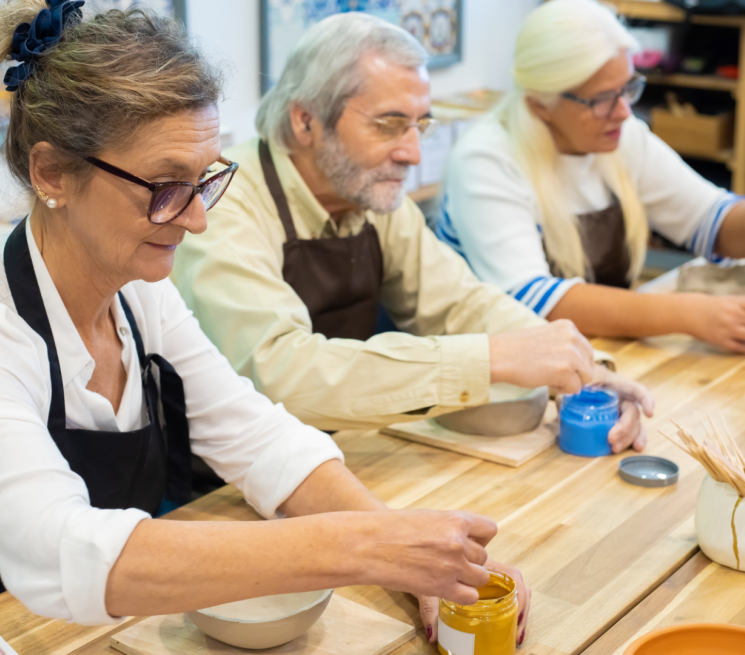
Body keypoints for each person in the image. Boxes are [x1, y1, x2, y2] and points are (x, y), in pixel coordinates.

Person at [0, 1, 529, 643]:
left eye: (205, 181)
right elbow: (59, 548)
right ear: (52, 172)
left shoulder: (138, 293)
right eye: (165, 187)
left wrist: (403, 547)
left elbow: (257, 438)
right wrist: (363, 547)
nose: (196, 221)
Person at [171, 12, 653, 453]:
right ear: (305, 120)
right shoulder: (225, 206)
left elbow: (460, 303)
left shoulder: (367, 192)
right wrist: (487, 359)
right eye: (389, 125)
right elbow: (281, 373)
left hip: (341, 452)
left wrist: (584, 370)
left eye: (420, 126)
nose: (413, 154)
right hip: (223, 482)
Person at [437, 0, 745, 352]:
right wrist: (690, 314)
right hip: (495, 372)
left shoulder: (620, 134)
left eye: (628, 88)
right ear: (540, 104)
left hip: (588, 352)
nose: (623, 112)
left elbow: (712, 219)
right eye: (601, 98)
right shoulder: (487, 160)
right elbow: (535, 302)